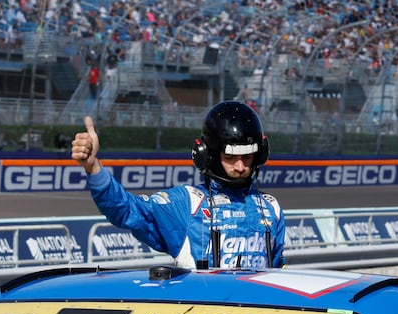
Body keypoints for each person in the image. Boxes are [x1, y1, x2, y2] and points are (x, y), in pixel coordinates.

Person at [70, 100, 283, 270]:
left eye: (247, 157)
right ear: (206, 155)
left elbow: (278, 271)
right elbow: (127, 211)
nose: (240, 166)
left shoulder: (270, 207)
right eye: (230, 157)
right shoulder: (187, 203)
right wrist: (94, 168)